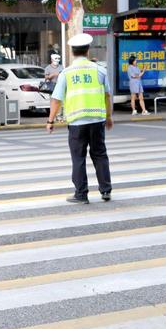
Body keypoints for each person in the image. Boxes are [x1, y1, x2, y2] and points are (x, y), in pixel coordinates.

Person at [46, 33, 113, 204]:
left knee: (78, 158)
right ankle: (105, 191)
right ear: (88, 50)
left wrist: (50, 121)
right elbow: (107, 96)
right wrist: (109, 116)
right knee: (100, 155)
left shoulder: (66, 73)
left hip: (76, 123)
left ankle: (81, 194)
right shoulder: (100, 70)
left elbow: (56, 99)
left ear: (72, 51)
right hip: (97, 121)